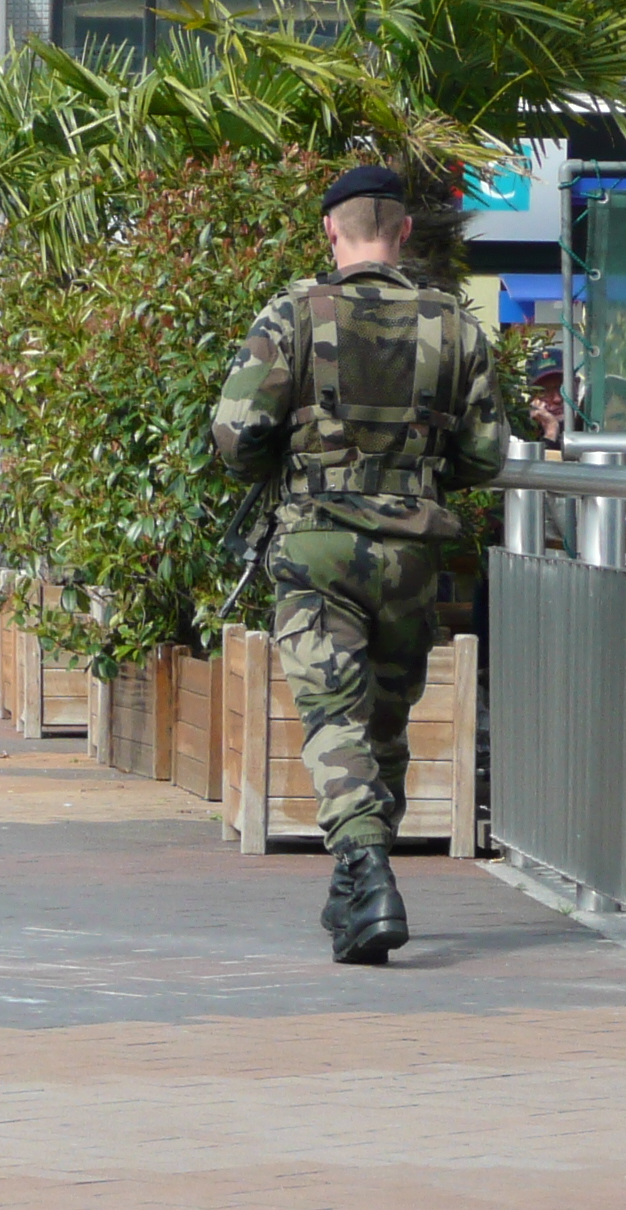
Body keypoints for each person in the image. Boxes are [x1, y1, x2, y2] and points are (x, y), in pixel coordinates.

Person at [210, 165, 508, 967]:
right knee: (382, 722)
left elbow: (236, 437)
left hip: (316, 548)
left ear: (331, 232)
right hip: (413, 554)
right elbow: (486, 455)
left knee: (333, 719)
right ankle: (356, 894)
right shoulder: (455, 324)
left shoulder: (294, 313)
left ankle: (368, 873)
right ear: (404, 232)